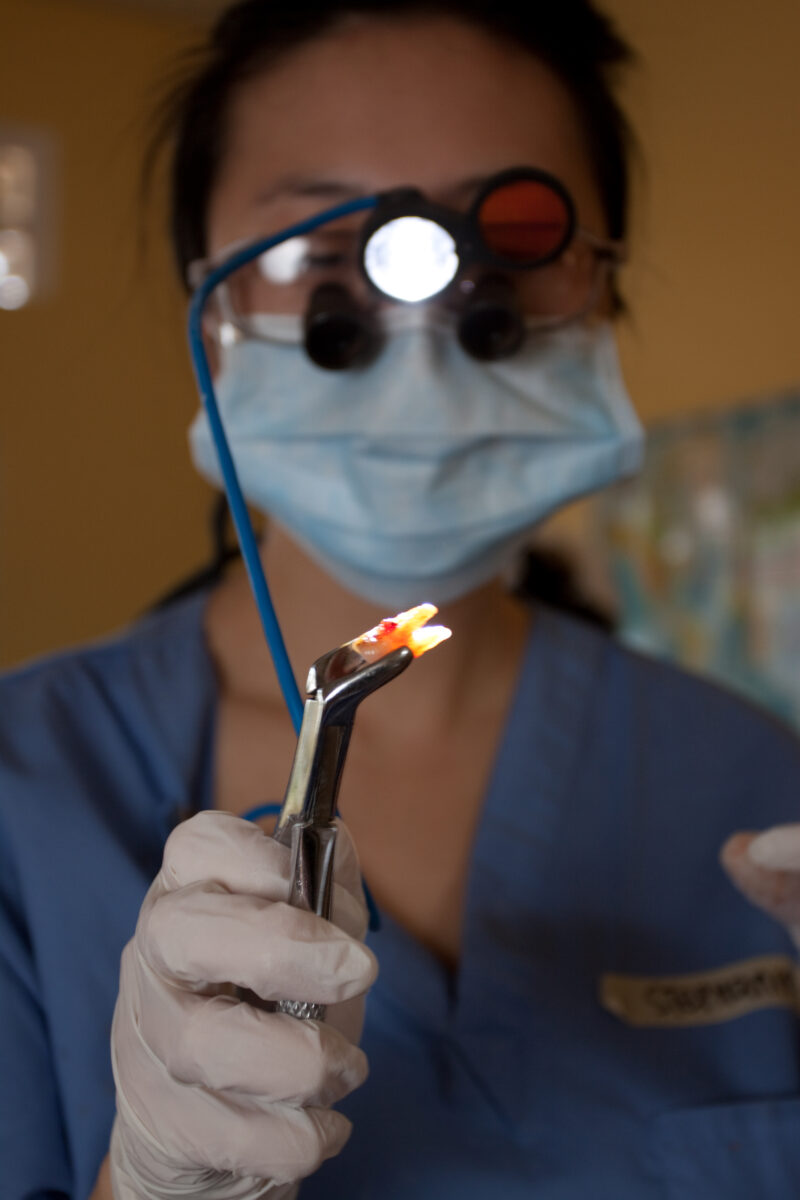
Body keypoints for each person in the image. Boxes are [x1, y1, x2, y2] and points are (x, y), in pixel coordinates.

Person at [2, 2, 800, 1198]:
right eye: (322, 257)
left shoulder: (753, 785)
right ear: (210, 312)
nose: (418, 328)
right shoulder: (28, 796)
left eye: (514, 244)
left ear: (602, 294)